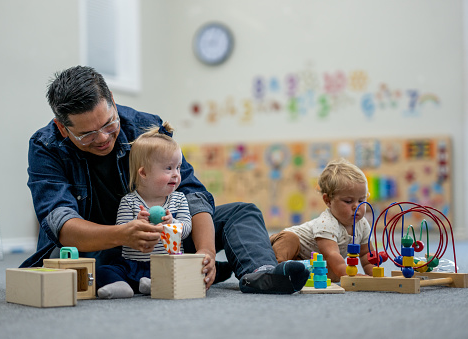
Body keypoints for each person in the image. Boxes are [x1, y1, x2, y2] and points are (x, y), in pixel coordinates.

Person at [21, 65, 310, 294]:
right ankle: (151, 273)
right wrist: (123, 234)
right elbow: (62, 224)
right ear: (62, 128)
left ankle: (259, 273)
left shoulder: (146, 127)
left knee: (241, 212)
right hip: (101, 243)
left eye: (109, 123)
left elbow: (192, 192)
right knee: (73, 264)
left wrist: (206, 251)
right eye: (87, 135)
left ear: (112, 100)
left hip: (165, 236)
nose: (103, 138)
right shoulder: (46, 147)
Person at [97, 121, 191, 299]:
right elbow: (122, 231)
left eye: (178, 167)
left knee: (186, 271)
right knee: (103, 270)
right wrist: (137, 223)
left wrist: (173, 224)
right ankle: (121, 286)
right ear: (144, 173)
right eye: (168, 168)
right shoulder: (130, 201)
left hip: (167, 264)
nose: (176, 174)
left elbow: (186, 229)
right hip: (133, 263)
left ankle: (153, 284)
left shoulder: (178, 199)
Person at [269, 158, 374, 282]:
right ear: (328, 200)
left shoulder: (363, 224)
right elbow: (332, 254)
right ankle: (275, 269)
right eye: (348, 201)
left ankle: (295, 270)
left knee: (332, 274)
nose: (356, 206)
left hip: (311, 260)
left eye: (362, 200)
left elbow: (366, 255)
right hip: (286, 243)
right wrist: (351, 277)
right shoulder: (327, 223)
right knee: (290, 239)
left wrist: (374, 277)